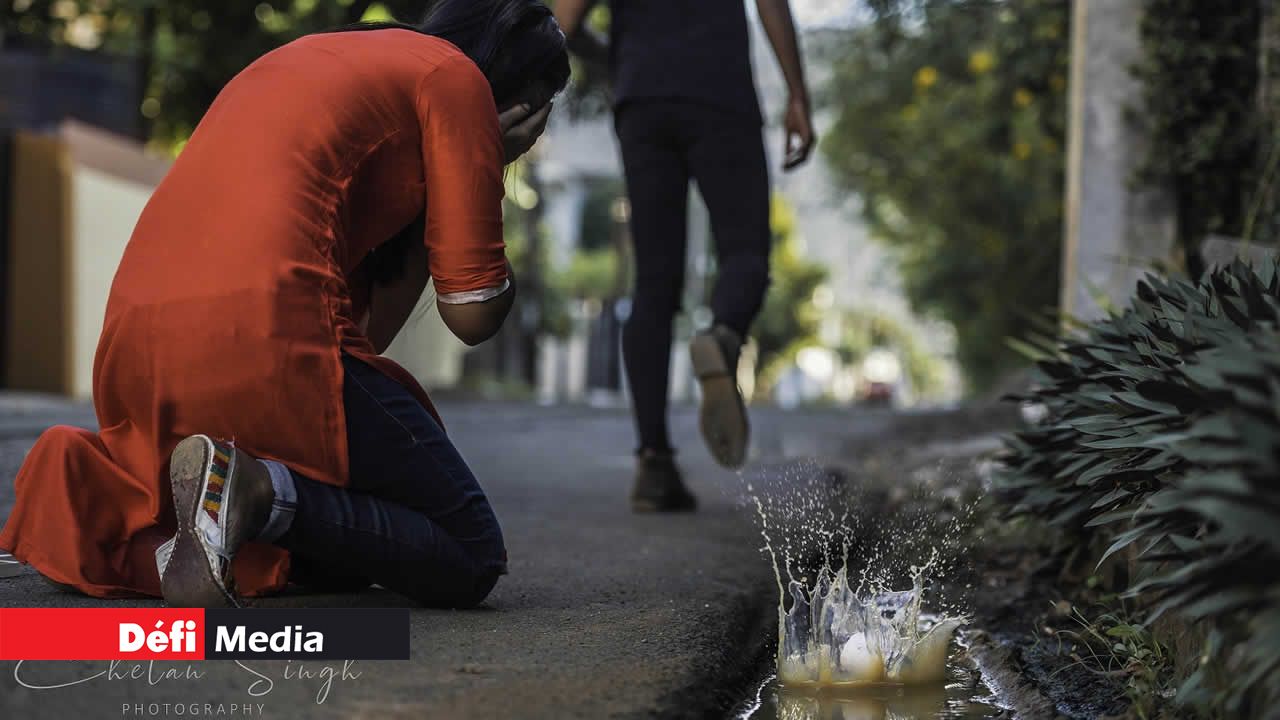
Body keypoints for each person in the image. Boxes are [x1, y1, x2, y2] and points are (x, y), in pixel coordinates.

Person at [0, 0, 569, 609]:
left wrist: (451, 176)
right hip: (259, 337)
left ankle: (147, 512)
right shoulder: (452, 81)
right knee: (469, 551)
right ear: (522, 102)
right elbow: (473, 314)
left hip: (139, 349)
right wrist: (484, 158)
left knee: (350, 550)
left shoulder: (323, 57)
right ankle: (257, 491)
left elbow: (365, 342)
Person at [554, 0, 816, 511]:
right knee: (745, 252)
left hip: (641, 99)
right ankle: (723, 336)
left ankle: (653, 465)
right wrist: (798, 96)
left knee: (653, 285)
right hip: (720, 90)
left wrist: (619, 60)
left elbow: (564, 20)